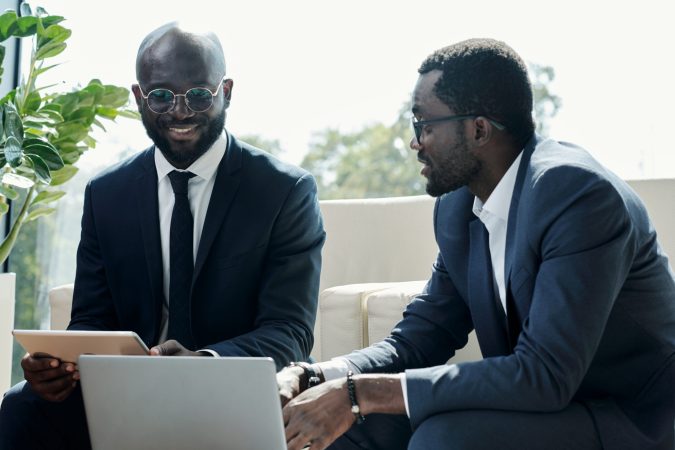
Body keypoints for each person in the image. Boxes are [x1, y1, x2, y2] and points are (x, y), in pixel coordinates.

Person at [279, 38, 675, 450]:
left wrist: (361, 394)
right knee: (349, 426)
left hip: (630, 418)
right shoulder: (458, 208)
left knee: (444, 439)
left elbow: (545, 374)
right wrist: (316, 377)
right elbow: (419, 338)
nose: (415, 142)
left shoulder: (576, 195)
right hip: (544, 411)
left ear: (478, 130)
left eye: (423, 124)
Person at [0, 23, 325, 449]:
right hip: (126, 391)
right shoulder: (106, 195)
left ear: (226, 91)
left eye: (198, 95)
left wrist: (205, 363)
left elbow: (289, 331)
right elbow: (91, 320)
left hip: (236, 389)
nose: (180, 111)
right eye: (160, 96)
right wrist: (59, 367)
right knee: (21, 407)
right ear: (139, 97)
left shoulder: (284, 191)